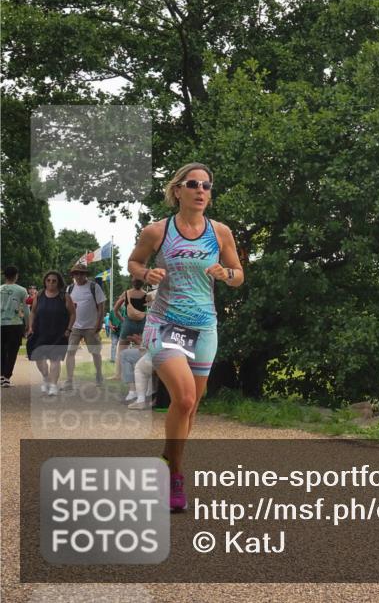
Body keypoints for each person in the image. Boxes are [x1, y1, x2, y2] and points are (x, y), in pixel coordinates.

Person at [128, 163, 244, 512]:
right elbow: (134, 263)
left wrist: (227, 274)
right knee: (183, 397)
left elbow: (239, 275)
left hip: (204, 326)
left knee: (192, 403)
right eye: (193, 184)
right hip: (165, 324)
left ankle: (166, 459)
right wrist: (148, 273)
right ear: (177, 190)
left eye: (207, 185)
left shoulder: (220, 232)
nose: (201, 190)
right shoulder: (157, 231)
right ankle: (176, 475)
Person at [26, 271, 75, 394]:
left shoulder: (65, 296)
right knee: (38, 358)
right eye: (48, 280)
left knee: (55, 360)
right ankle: (45, 377)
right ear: (45, 282)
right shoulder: (40, 295)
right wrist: (31, 326)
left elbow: (73, 314)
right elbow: (33, 312)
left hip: (59, 333)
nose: (51, 283)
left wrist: (69, 329)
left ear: (58, 282)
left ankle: (53, 385)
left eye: (54, 281)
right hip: (40, 332)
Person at [62, 264, 107, 390]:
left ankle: (99, 375)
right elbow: (66, 308)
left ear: (86, 274)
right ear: (73, 275)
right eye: (76, 273)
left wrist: (99, 323)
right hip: (75, 326)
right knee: (70, 352)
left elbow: (101, 307)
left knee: (95, 352)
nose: (79, 276)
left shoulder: (94, 287)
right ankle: (69, 381)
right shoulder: (70, 289)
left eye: (82, 273)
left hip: (91, 326)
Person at [1, 266, 28, 387]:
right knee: (12, 351)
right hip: (15, 323)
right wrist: (28, 324)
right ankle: (7, 376)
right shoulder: (22, 290)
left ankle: (1, 375)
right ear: (16, 275)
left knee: (1, 350)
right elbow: (26, 309)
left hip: (1, 323)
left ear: (4, 276)